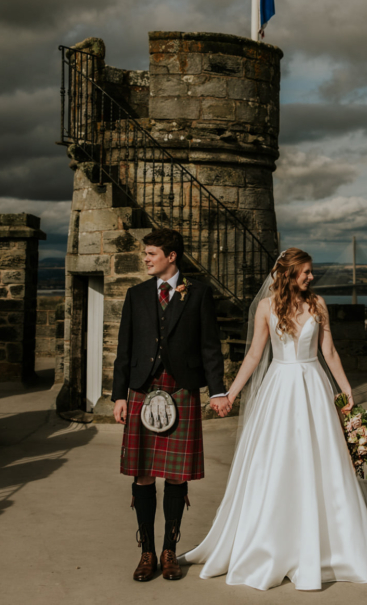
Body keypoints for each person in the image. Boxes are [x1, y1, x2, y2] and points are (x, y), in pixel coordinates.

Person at [182, 247, 367, 590]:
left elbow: (328, 351)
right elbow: (255, 354)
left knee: (323, 461)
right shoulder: (267, 308)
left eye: (311, 272)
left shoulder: (318, 304)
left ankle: (335, 546)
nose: (311, 277)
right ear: (287, 274)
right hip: (280, 388)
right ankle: (272, 544)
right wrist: (232, 394)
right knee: (279, 460)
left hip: (314, 386)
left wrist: (346, 393)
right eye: (306, 272)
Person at [112, 229, 230, 582]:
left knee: (177, 475)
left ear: (171, 256)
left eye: (151, 253)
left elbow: (210, 347)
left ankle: (169, 550)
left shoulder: (199, 294)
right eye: (145, 254)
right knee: (144, 473)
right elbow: (125, 350)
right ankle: (146, 551)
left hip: (182, 388)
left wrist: (218, 390)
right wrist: (119, 395)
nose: (146, 259)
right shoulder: (136, 295)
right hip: (142, 389)